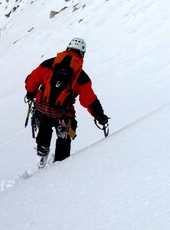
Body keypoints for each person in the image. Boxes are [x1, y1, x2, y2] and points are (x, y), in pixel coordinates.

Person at [24, 37, 109, 168]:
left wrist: (30, 93)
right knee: (64, 139)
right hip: (63, 115)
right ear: (82, 53)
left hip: (43, 109)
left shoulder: (49, 63)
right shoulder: (81, 76)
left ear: (68, 48)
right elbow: (89, 99)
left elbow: (32, 80)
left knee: (44, 130)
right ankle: (60, 167)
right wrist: (100, 115)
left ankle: (41, 157)